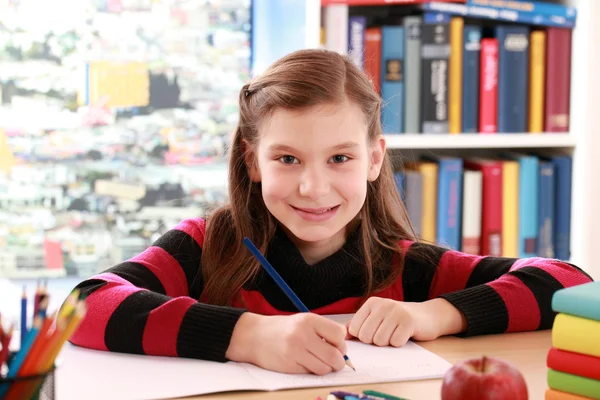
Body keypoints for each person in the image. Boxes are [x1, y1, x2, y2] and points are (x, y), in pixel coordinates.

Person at [69, 49, 593, 376]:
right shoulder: (206, 247)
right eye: (287, 158)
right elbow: (84, 304)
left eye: (339, 158)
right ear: (253, 161)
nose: (313, 186)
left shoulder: (406, 266)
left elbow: (568, 283)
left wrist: (431, 314)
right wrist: (249, 337)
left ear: (373, 159)